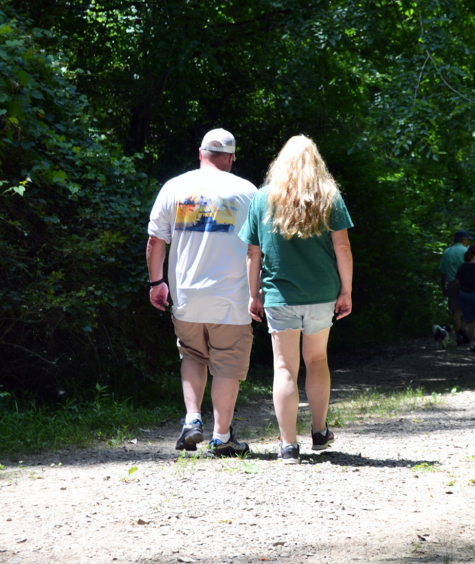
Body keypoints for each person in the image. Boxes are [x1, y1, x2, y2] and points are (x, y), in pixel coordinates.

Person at [239, 136, 354, 465]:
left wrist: (253, 294)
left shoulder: (263, 199)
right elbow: (342, 248)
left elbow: (252, 251)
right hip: (321, 293)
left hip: (279, 296)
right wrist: (346, 290)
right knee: (317, 361)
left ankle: (288, 446)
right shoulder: (328, 197)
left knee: (285, 367)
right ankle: (319, 432)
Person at [147, 128, 257, 456]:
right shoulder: (247, 192)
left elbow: (155, 240)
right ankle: (222, 437)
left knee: (192, 355)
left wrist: (157, 283)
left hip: (186, 296)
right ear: (231, 158)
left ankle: (192, 421)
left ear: (200, 153)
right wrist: (257, 292)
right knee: (226, 364)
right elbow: (258, 248)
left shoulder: (174, 187)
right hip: (232, 298)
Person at [439, 230, 472, 345]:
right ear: (463, 239)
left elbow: (443, 271)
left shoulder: (447, 252)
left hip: (452, 284)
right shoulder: (466, 251)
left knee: (456, 312)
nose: (467, 241)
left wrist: (444, 286)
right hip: (465, 284)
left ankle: (459, 336)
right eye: (467, 239)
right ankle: (468, 335)